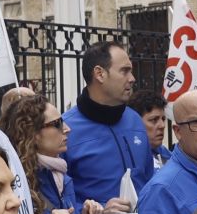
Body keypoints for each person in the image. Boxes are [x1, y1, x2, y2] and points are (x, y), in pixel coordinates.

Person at [62, 42, 155, 203]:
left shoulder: (135, 120)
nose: (132, 79)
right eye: (124, 71)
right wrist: (97, 211)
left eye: (131, 71)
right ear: (99, 74)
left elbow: (148, 179)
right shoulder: (64, 129)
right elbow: (59, 201)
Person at [2, 95, 105, 214]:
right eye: (57, 124)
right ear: (33, 134)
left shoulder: (60, 173)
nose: (67, 129)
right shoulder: (16, 179)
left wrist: (84, 212)